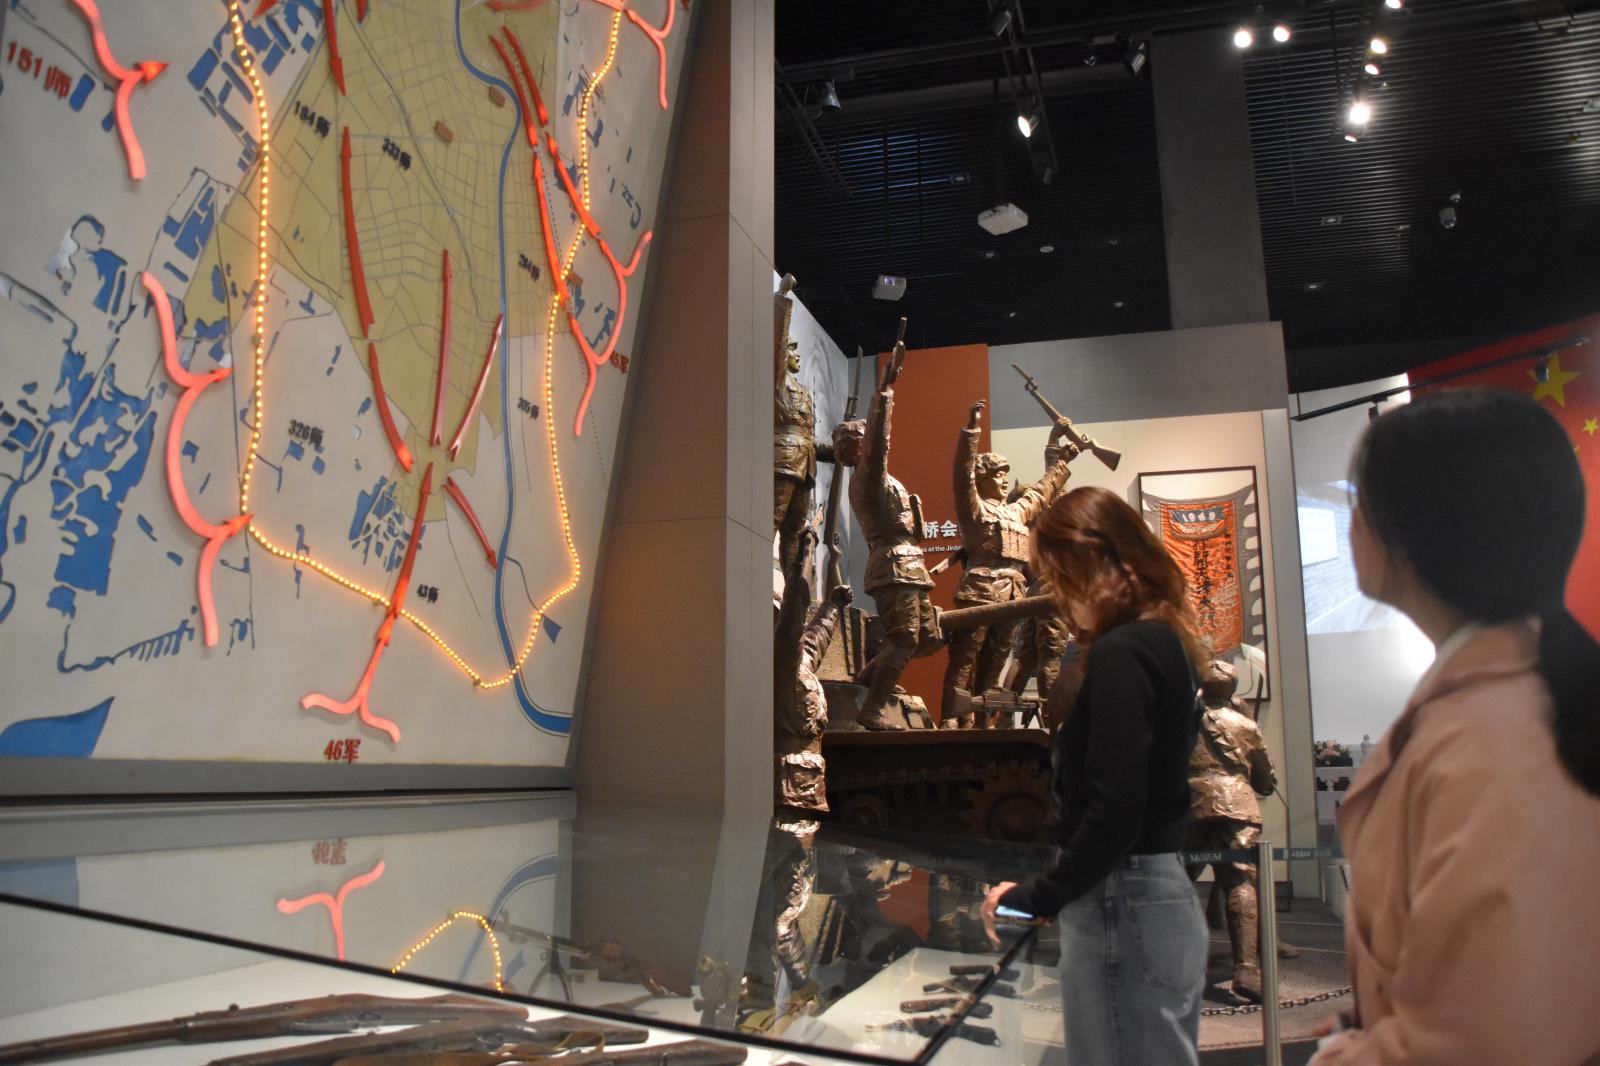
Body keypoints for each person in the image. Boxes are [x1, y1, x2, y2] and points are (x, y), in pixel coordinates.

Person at [1310, 389, 1600, 1065]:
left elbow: (1484, 1039)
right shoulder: (1508, 705)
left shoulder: (1495, 739)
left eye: (1360, 501)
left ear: (1414, 534)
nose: (1350, 523)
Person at [980, 485, 1210, 1065]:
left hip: (1120, 900)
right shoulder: (1165, 642)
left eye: (1057, 576)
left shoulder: (1121, 652)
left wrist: (1035, 896)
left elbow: (1115, 809)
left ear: (1085, 563)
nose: (1057, 597)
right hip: (1154, 897)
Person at [942, 399, 1075, 727]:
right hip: (980, 591)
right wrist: (972, 430)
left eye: (1006, 474)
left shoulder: (1016, 512)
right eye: (997, 474)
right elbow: (961, 476)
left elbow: (1042, 492)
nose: (1004, 480)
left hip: (1013, 595)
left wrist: (1061, 462)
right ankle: (951, 719)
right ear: (982, 478)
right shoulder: (975, 510)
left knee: (996, 659)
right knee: (966, 656)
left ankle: (983, 721)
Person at [832, 337, 932, 731]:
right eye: (862, 439)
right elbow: (879, 442)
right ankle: (871, 709)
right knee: (905, 639)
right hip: (894, 566)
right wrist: (884, 391)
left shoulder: (876, 480)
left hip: (909, 565)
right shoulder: (867, 478)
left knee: (925, 636)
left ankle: (867, 681)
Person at [1185, 658, 1278, 1004]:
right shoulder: (1246, 725)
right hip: (1237, 806)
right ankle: (1246, 970)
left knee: (1177, 883)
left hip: (1191, 805)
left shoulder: (1182, 720)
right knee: (1240, 882)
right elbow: (1265, 780)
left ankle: (1170, 960)